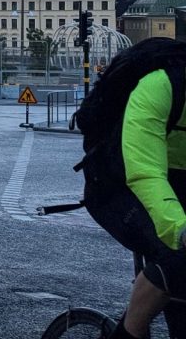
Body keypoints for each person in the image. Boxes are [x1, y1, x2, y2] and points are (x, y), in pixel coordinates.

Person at [81, 46, 186, 339]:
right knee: (176, 256)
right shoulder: (161, 85)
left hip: (177, 184)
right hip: (119, 185)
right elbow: (145, 171)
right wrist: (180, 228)